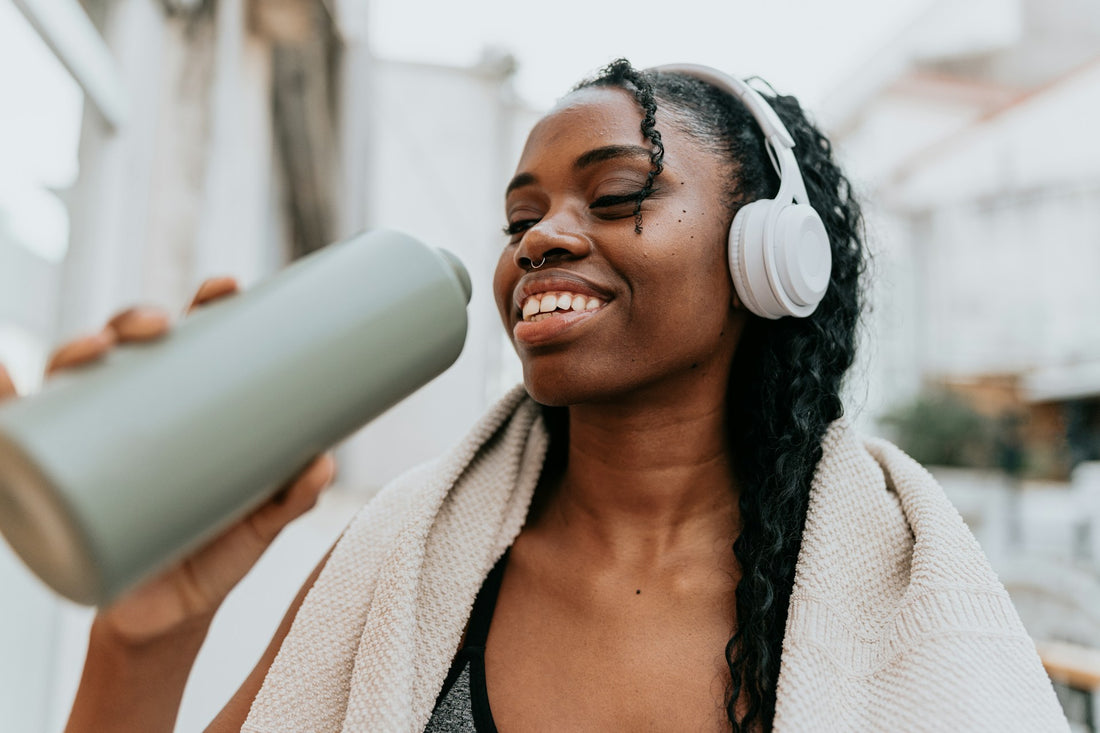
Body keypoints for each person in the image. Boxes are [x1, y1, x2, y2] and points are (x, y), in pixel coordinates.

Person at [15, 58, 1062, 732]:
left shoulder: (908, 597)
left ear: (767, 258)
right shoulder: (402, 560)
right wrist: (141, 636)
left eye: (614, 196)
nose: (542, 239)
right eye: (521, 218)